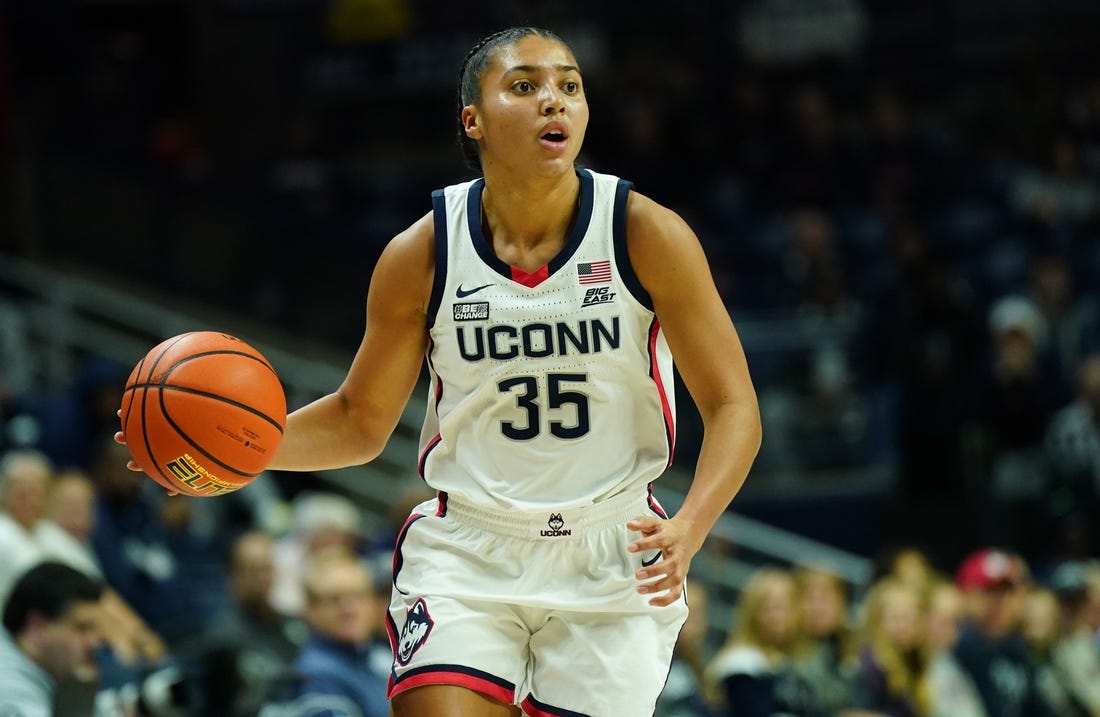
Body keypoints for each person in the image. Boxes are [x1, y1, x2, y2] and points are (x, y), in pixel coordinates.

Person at [118, 25, 761, 716]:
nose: (555, 101)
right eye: (526, 86)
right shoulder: (421, 254)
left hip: (611, 546)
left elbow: (733, 406)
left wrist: (691, 524)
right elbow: (359, 421)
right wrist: (228, 451)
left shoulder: (645, 232)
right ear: (473, 119)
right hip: (468, 548)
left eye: (569, 86)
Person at [0, 561, 104, 717]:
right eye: (81, 628)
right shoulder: (10, 693)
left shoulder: (49, 673)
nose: (95, 642)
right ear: (37, 628)